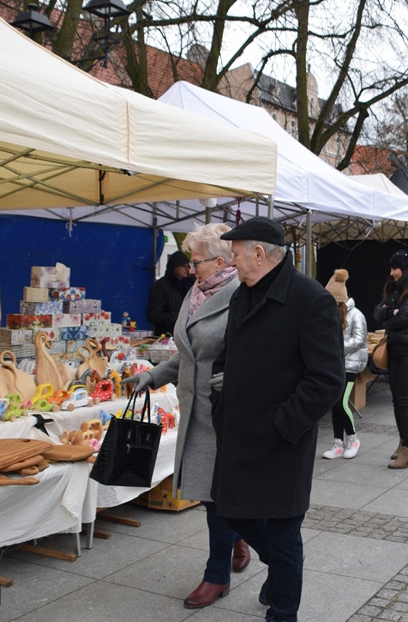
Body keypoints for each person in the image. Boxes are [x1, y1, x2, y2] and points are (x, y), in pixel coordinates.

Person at [211, 216, 344, 622]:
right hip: (238, 434)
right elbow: (227, 354)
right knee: (231, 512)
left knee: (284, 536)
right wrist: (220, 403)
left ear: (258, 253)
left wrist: (281, 424)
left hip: (281, 442)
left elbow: (326, 380)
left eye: (235, 254)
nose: (231, 262)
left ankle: (282, 613)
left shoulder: (311, 300)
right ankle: (284, 572)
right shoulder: (242, 295)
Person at [123, 223, 248, 609]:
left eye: (197, 262)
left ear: (222, 261)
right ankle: (237, 540)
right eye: (191, 261)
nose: (191, 269)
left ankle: (216, 575)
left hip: (225, 411)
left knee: (217, 497)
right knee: (215, 495)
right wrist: (152, 376)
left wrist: (240, 376)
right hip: (194, 408)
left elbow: (259, 348)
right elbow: (188, 351)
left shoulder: (242, 293)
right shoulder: (195, 293)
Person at [373, 248, 408, 469]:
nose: (392, 272)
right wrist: (390, 313)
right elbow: (378, 312)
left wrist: (390, 316)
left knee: (404, 400)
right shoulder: (397, 288)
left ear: (405, 269)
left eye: (395, 268)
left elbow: (404, 317)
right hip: (396, 347)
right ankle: (402, 443)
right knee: (397, 399)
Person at [322, 269, 368, 460]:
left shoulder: (356, 315)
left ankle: (352, 438)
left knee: (341, 402)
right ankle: (337, 442)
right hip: (335, 363)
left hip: (350, 364)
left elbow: (359, 340)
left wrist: (334, 347)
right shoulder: (331, 314)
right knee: (334, 403)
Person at [146, 250, 195, 336]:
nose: (187, 269)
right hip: (165, 336)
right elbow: (154, 315)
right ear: (175, 267)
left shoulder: (190, 284)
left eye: (188, 266)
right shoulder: (160, 287)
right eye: (184, 266)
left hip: (187, 334)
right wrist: (177, 317)